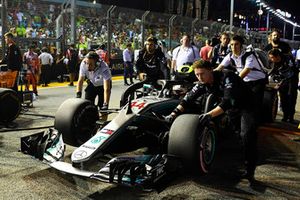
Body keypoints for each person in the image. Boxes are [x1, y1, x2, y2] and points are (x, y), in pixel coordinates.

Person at [165, 59, 258, 181]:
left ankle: (250, 169)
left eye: (202, 74)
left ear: (211, 71)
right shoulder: (202, 82)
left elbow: (227, 102)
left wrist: (209, 115)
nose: (199, 77)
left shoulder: (227, 76)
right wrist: (173, 114)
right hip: (232, 108)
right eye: (197, 74)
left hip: (247, 105)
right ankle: (239, 152)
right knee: (238, 135)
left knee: (247, 135)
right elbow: (187, 99)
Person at [215, 35, 266, 124]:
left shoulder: (249, 55)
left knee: (254, 102)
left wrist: (234, 81)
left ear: (241, 45)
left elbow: (246, 71)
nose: (234, 47)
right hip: (244, 81)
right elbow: (220, 67)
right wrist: (210, 74)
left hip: (257, 81)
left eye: (236, 44)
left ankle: (256, 123)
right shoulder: (230, 55)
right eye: (231, 45)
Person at [268, 48, 298, 123]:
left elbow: (291, 72)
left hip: (292, 80)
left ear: (277, 56)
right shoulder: (273, 63)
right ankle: (285, 116)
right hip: (282, 81)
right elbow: (272, 72)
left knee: (291, 98)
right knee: (283, 98)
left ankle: (291, 117)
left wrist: (280, 81)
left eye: (272, 57)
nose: (271, 59)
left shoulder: (287, 58)